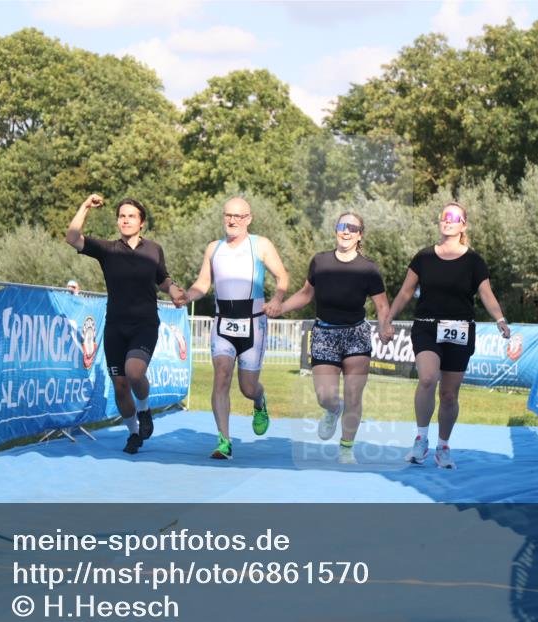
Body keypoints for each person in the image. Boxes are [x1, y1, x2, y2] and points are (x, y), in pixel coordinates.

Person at [386, 202, 511, 469]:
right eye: (444, 217)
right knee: (428, 377)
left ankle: (443, 446)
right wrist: (388, 318)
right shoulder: (424, 257)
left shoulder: (474, 261)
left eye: (454, 218)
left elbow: (486, 294)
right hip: (427, 326)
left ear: (463, 225)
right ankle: (421, 439)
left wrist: (499, 318)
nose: (448, 221)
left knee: (450, 395)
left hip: (460, 330)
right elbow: (406, 292)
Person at [65, 194, 187, 455]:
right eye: (122, 216)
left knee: (134, 372)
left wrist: (174, 290)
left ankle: (144, 411)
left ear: (141, 222)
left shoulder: (154, 249)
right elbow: (72, 238)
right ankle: (133, 433)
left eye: (132, 216)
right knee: (120, 384)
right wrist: (85, 206)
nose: (126, 220)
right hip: (115, 327)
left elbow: (162, 278)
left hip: (144, 324)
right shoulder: (107, 250)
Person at [279, 213, 393, 462]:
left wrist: (385, 326)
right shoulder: (320, 262)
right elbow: (305, 294)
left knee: (354, 394)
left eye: (353, 228)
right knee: (325, 396)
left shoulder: (368, 268)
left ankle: (346, 448)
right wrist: (281, 308)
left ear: (360, 234)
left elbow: (382, 306)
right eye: (342, 226)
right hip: (324, 334)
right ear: (336, 230)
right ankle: (332, 410)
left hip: (356, 335)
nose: (347, 231)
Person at [185, 197, 288, 460]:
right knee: (221, 374)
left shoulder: (261, 245)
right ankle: (224, 441)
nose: (232, 220)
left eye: (238, 216)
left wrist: (277, 299)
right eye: (228, 215)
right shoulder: (213, 248)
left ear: (248, 219)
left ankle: (259, 400)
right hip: (222, 322)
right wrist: (186, 296)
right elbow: (203, 283)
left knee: (247, 387)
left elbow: (282, 277)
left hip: (253, 322)